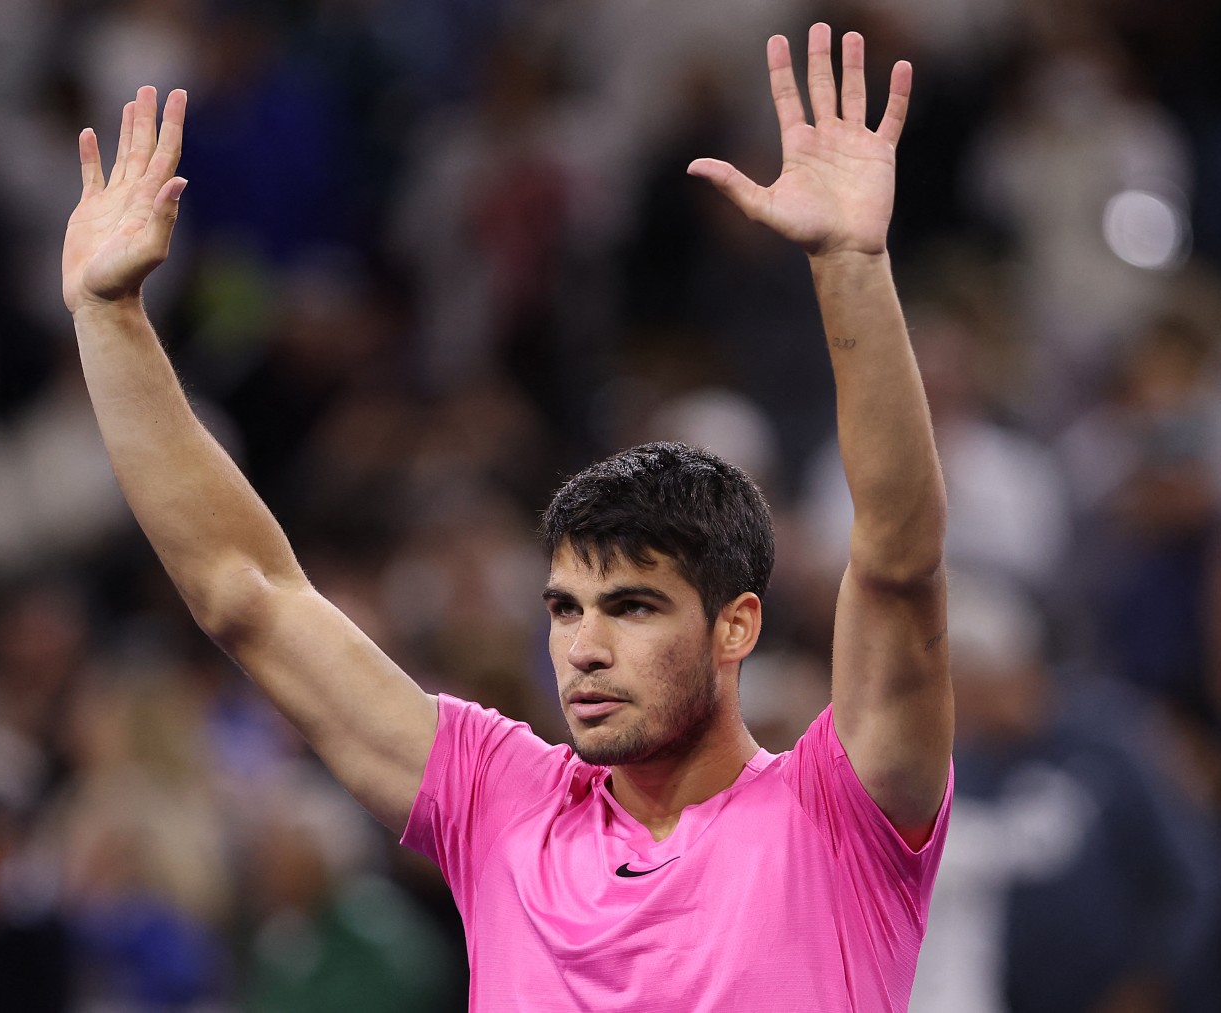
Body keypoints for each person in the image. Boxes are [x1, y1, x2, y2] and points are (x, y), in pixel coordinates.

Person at [61, 24, 953, 1010]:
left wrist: (850, 262)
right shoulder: (501, 798)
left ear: (736, 622)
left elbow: (898, 561)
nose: (584, 646)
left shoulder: (841, 813)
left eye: (634, 606)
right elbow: (248, 593)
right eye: (566, 608)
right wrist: (109, 318)